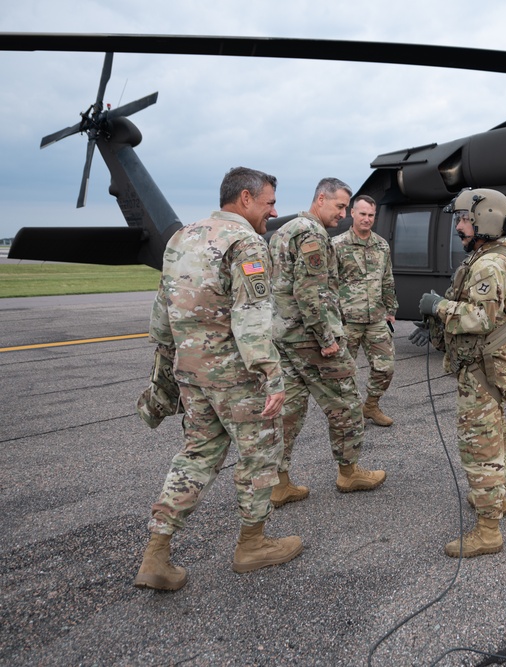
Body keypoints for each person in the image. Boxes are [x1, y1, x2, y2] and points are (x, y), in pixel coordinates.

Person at [134, 167, 301, 592]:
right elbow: (251, 317)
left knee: (197, 455)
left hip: (192, 371)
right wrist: (271, 375)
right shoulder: (245, 242)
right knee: (259, 454)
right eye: (268, 203)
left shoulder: (182, 237)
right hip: (235, 375)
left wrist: (169, 363)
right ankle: (252, 545)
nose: (273, 211)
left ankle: (157, 553)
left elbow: (161, 313)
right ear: (245, 199)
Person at [411, 187, 506, 558]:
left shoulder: (489, 265)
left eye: (464, 220)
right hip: (486, 365)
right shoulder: (489, 257)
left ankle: (488, 530)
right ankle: (497, 501)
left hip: (481, 368)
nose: (458, 227)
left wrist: (439, 306)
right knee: (494, 436)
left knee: (479, 446)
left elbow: (478, 318)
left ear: (485, 221)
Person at [269, 178, 385, 507]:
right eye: (339, 206)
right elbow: (311, 293)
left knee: (288, 410)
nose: (345, 214)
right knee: (347, 403)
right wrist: (327, 339)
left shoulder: (284, 230)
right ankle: (349, 473)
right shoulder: (312, 234)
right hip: (311, 338)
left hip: (285, 335)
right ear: (320, 199)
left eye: (347, 208)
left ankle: (279, 483)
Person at [331, 194, 399, 427]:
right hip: (347, 320)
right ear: (352, 213)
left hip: (376, 318)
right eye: (363, 214)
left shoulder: (381, 245)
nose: (367, 219)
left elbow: (387, 279)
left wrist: (391, 308)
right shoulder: (337, 245)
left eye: (371, 215)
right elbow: (328, 284)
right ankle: (349, 413)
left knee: (385, 367)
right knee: (344, 372)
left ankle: (370, 405)